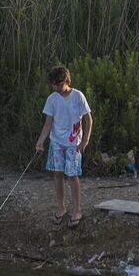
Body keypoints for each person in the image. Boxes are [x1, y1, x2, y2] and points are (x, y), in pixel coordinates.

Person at [35, 65, 93, 228]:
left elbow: (89, 120)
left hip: (73, 144)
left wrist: (85, 141)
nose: (56, 87)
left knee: (72, 175)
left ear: (66, 81)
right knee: (57, 174)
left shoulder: (78, 96)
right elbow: (48, 124)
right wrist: (41, 141)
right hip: (56, 143)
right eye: (53, 84)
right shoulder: (52, 99)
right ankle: (61, 209)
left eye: (59, 83)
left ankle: (77, 210)